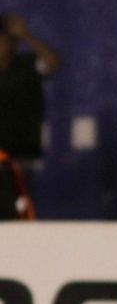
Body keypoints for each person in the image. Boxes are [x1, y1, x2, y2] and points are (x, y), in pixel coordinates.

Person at [0, 13, 61, 218]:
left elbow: (51, 62)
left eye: (5, 40)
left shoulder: (27, 66)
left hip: (20, 163)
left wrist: (25, 34)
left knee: (18, 220)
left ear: (14, 44)